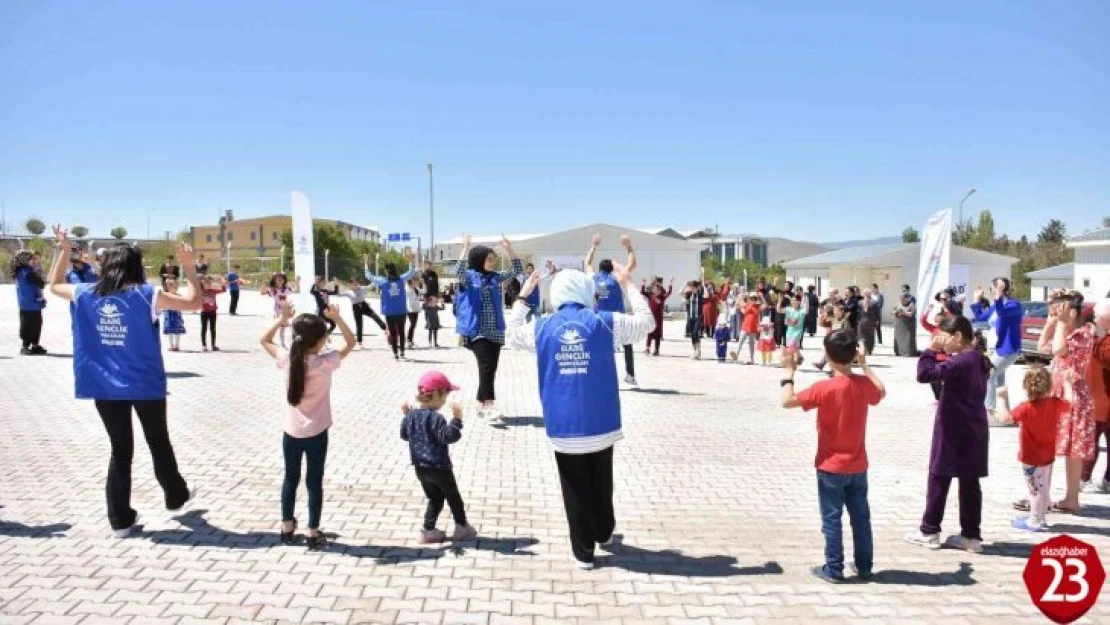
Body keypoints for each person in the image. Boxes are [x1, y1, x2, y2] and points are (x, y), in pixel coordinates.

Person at [47, 226, 201, 537]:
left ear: (106, 267)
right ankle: (175, 495)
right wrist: (187, 267)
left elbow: (54, 284)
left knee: (120, 450)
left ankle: (120, 520)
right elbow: (194, 301)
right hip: (145, 384)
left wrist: (63, 250)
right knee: (158, 441)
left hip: (104, 386)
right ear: (135, 267)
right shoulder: (147, 295)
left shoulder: (85, 293)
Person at [506, 265, 654, 569]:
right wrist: (628, 285)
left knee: (574, 487)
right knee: (602, 479)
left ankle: (583, 551)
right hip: (602, 420)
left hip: (563, 424)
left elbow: (511, 335)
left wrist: (523, 296)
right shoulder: (604, 321)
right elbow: (647, 323)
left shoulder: (543, 327)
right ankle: (604, 531)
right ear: (586, 291)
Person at [781, 329, 885, 582]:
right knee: (861, 518)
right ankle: (864, 566)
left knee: (831, 518)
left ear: (827, 356)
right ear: (854, 355)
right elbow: (880, 391)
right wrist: (865, 366)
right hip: (858, 464)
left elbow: (787, 401)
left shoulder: (824, 388)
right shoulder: (862, 385)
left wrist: (788, 373)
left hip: (830, 466)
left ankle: (834, 568)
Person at [260, 301, 356, 552]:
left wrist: (282, 318)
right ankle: (313, 533)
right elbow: (351, 342)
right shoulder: (325, 362)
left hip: (291, 431)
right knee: (314, 481)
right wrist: (338, 318)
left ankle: (286, 527)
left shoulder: (287, 359)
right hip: (317, 431)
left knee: (290, 478)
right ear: (321, 340)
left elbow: (264, 340)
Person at [906, 316, 991, 553]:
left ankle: (929, 530)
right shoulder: (979, 359)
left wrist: (929, 351)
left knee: (938, 477)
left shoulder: (961, 361)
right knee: (970, 482)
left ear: (957, 337)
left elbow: (925, 375)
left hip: (953, 428)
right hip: (975, 428)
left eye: (942, 338)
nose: (939, 342)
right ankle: (971, 536)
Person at [1035, 290, 1095, 514]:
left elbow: (1059, 349)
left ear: (1072, 312)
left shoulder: (1084, 333)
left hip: (1074, 397)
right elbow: (1043, 347)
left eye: (1060, 310)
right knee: (1052, 446)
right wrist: (1051, 323)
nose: (1055, 313)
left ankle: (1071, 498)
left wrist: (1060, 325)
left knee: (1073, 450)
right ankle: (1042, 494)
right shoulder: (1067, 331)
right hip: (1059, 394)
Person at [400, 372, 478, 544]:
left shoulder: (412, 416)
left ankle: (428, 530)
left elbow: (405, 435)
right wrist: (456, 420)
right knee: (452, 496)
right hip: (440, 467)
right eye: (445, 397)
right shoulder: (436, 418)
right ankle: (461, 527)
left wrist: (406, 416)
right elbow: (448, 437)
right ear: (437, 395)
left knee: (434, 498)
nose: (445, 401)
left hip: (420, 468)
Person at [454, 236, 523, 416]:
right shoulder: (469, 277)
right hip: (477, 331)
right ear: (479, 260)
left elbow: (517, 269)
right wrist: (465, 248)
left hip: (496, 330)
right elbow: (458, 270)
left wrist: (510, 249)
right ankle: (490, 404)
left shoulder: (495, 278)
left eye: (493, 259)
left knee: (490, 368)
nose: (492, 262)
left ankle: (479, 402)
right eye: (489, 259)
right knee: (485, 365)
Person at [995, 367, 1069, 532]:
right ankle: (1041, 517)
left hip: (1030, 456)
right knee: (1043, 488)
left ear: (1026, 386)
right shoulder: (1055, 403)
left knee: (1034, 490)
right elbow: (1070, 404)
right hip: (1048, 455)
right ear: (1049, 385)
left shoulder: (1026, 407)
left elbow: (1005, 419)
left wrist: (1000, 398)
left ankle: (1034, 521)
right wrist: (1069, 384)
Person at [586, 234, 639, 385]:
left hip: (601, 317)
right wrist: (628, 246)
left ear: (600, 268)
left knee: (599, 347)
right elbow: (632, 264)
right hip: (619, 317)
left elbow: (587, 263)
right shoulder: (618, 278)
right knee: (627, 344)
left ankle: (599, 376)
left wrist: (594, 246)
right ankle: (630, 374)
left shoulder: (595, 278)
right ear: (611, 269)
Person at [969, 278, 1023, 417]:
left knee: (988, 375)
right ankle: (1004, 413)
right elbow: (980, 317)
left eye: (993, 288)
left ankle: (989, 410)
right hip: (994, 348)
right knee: (998, 380)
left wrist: (999, 294)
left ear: (1002, 289)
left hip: (1007, 348)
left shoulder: (1014, 305)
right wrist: (977, 300)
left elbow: (1002, 313)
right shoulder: (995, 305)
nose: (991, 291)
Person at [365, 251, 418, 360]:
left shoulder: (382, 281)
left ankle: (395, 354)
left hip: (389, 312)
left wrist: (366, 263)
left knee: (393, 333)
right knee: (402, 332)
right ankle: (402, 352)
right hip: (401, 311)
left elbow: (369, 276)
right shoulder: (401, 279)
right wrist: (411, 260)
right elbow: (411, 272)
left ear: (386, 271)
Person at [1081, 300, 1110, 492]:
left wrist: (1097, 338)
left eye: (1098, 318)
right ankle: (1085, 478)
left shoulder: (1102, 339)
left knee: (1092, 441)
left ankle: (1105, 479)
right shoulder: (1095, 334)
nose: (1094, 320)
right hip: (1095, 397)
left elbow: (1106, 358)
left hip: (1103, 400)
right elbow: (1084, 315)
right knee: (1090, 442)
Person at [12, 250, 48, 355]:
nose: (34, 261)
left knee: (36, 324)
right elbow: (41, 283)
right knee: (28, 325)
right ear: (24, 260)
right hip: (29, 304)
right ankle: (25, 346)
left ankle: (35, 345)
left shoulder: (24, 270)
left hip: (32, 303)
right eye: (31, 259)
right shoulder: (26, 272)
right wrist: (38, 270)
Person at [337, 275, 387, 349]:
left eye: (356, 283)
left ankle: (385, 328)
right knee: (359, 325)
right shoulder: (349, 292)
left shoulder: (362, 288)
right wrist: (336, 285)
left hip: (364, 306)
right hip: (356, 308)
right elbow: (339, 294)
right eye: (354, 283)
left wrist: (376, 280)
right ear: (350, 285)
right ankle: (360, 342)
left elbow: (371, 286)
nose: (356, 285)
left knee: (375, 316)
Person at [261, 273, 297, 348]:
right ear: (275, 280)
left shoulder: (286, 289)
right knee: (280, 326)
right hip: (278, 310)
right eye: (278, 279)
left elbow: (296, 291)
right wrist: (264, 284)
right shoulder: (273, 290)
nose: (280, 280)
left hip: (286, 309)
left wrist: (297, 282)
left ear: (284, 280)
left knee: (283, 327)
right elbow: (262, 293)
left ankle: (283, 343)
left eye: (281, 279)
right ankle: (278, 342)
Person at [641, 278, 672, 356]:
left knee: (657, 335)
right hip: (651, 318)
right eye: (654, 289)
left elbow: (669, 293)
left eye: (658, 289)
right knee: (650, 333)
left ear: (660, 290)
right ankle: (647, 348)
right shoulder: (651, 296)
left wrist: (670, 285)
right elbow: (642, 292)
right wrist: (643, 284)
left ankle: (657, 350)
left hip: (658, 319)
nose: (656, 291)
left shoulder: (662, 297)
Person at [199, 275, 226, 352]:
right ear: (203, 283)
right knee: (204, 329)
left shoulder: (213, 290)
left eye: (209, 283)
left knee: (213, 329)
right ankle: (204, 345)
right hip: (204, 312)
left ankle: (213, 345)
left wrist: (222, 283)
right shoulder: (200, 291)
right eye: (205, 283)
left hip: (213, 312)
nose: (207, 285)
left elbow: (223, 290)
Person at [162, 278, 187, 352]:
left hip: (176, 314)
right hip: (169, 314)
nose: (173, 287)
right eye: (170, 285)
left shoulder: (179, 295)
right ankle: (171, 345)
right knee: (169, 330)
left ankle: (177, 345)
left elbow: (183, 304)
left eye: (175, 286)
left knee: (177, 330)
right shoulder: (166, 295)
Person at [683, 280, 705, 359]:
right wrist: (685, 286)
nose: (692, 289)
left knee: (696, 333)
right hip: (690, 317)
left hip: (698, 317)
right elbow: (680, 293)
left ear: (697, 287)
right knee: (692, 335)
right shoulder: (689, 294)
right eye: (691, 287)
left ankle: (698, 350)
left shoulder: (700, 294)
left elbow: (707, 295)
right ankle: (695, 351)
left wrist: (703, 285)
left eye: (693, 287)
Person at [892, 292, 919, 357]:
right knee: (898, 338)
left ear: (907, 299)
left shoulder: (911, 304)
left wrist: (904, 313)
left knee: (908, 339)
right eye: (901, 298)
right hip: (899, 325)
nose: (902, 299)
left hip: (908, 325)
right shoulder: (897, 304)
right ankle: (898, 351)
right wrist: (896, 312)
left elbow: (911, 314)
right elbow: (892, 311)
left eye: (903, 298)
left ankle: (908, 352)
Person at [783, 294, 806, 367]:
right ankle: (798, 358)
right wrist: (780, 300)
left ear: (799, 302)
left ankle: (794, 360)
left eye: (795, 300)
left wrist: (805, 299)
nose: (793, 301)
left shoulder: (802, 310)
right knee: (792, 347)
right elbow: (778, 310)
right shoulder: (789, 309)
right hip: (789, 331)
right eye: (792, 300)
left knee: (791, 345)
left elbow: (806, 311)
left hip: (798, 331)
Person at [857, 290, 880, 356]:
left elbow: (877, 313)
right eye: (865, 294)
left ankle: (870, 349)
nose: (866, 295)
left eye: (868, 294)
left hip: (871, 321)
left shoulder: (875, 303)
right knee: (861, 335)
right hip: (861, 321)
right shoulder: (859, 302)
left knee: (870, 336)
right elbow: (858, 313)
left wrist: (877, 320)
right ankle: (863, 348)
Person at [406, 278, 424, 350]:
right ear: (409, 283)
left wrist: (424, 283)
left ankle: (410, 340)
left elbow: (424, 291)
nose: (414, 284)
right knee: (412, 324)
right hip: (409, 309)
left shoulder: (416, 289)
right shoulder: (406, 290)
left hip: (416, 309)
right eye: (413, 283)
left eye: (414, 282)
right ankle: (409, 339)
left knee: (413, 325)